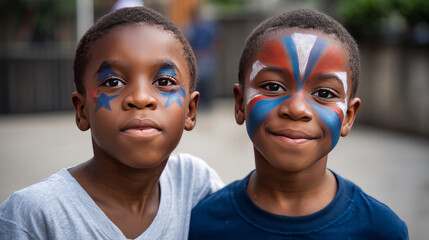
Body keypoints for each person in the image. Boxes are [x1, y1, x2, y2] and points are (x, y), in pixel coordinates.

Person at [0, 6, 223, 240]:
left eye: (164, 80)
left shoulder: (194, 184)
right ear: (82, 110)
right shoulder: (32, 217)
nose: (140, 98)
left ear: (190, 110)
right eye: (113, 82)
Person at [189, 8, 408, 239]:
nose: (296, 109)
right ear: (240, 102)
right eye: (273, 87)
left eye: (324, 93)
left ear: (348, 116)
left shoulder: (382, 231)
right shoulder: (202, 225)